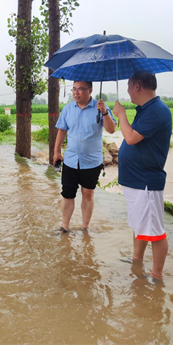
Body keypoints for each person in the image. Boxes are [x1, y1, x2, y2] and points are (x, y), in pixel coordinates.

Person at [112, 71, 172, 281]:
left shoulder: (157, 111)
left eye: (129, 86)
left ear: (137, 86)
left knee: (155, 229)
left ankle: (156, 275)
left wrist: (121, 115)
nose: (127, 91)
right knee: (140, 224)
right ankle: (137, 259)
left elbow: (130, 138)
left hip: (146, 181)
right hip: (136, 181)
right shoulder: (146, 110)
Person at [53, 81, 116, 233]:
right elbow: (62, 131)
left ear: (90, 90)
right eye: (74, 89)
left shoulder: (100, 107)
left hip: (91, 161)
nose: (76, 93)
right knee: (67, 194)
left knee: (88, 193)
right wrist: (56, 152)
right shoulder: (68, 109)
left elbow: (111, 129)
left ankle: (85, 227)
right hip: (70, 159)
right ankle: (65, 226)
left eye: (80, 89)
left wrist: (105, 113)